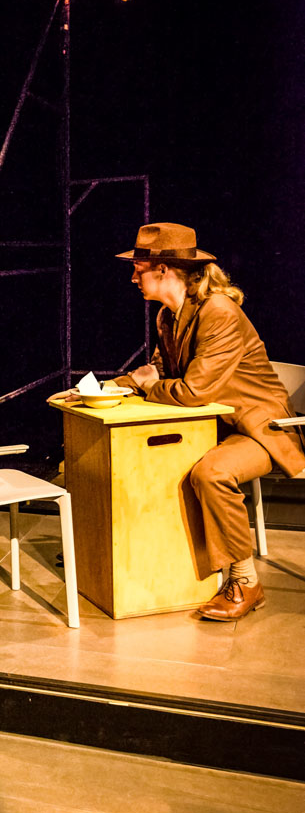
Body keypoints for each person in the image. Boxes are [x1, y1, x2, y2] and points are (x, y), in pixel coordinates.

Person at [113, 222, 305, 621]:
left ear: (164, 269)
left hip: (261, 428)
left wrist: (148, 385)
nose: (133, 277)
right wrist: (100, 390)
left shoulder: (218, 311)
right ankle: (156, 564)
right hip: (216, 425)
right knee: (152, 461)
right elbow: (158, 372)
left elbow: (192, 392)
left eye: (138, 268)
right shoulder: (168, 316)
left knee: (211, 474)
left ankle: (245, 581)